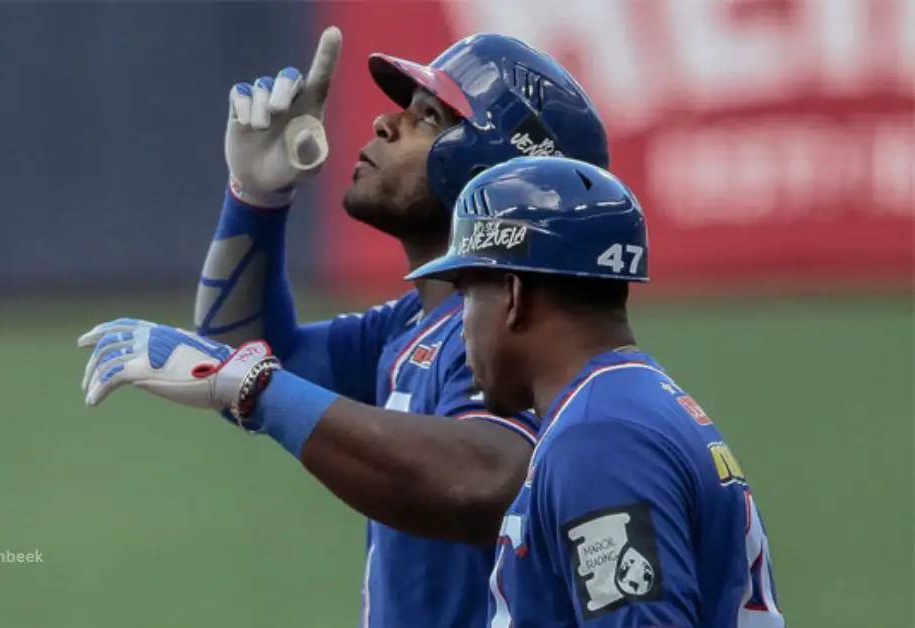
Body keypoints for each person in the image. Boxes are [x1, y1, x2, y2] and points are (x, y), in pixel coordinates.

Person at [78, 26, 609, 628]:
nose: (386, 124)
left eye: (430, 118)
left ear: (507, 173)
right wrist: (256, 196)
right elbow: (242, 353)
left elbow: (485, 478)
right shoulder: (413, 324)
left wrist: (252, 384)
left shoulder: (517, 332)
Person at [404, 155, 785, 627]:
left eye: (466, 296)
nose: (461, 330)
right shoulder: (630, 402)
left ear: (513, 295)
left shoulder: (599, 440)